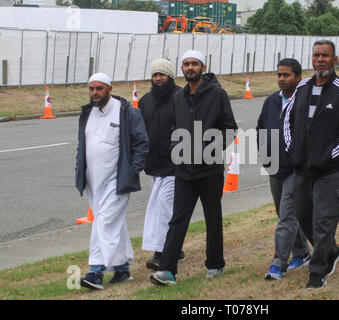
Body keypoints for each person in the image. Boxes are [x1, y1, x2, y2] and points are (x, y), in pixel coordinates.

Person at [150, 50, 238, 286]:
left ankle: (215, 264)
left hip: (209, 169)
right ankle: (168, 270)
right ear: (182, 69)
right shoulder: (179, 96)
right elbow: (173, 127)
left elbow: (230, 128)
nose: (190, 68)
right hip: (183, 171)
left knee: (212, 218)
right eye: (186, 64)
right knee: (178, 219)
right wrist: (175, 150)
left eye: (194, 64)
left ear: (203, 66)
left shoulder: (217, 94)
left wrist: (209, 149)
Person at [284, 40, 339, 289]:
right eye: (316, 55)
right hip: (302, 170)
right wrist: (292, 150)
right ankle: (331, 251)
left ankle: (317, 274)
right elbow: (288, 121)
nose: (320, 59)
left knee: (324, 221)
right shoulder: (303, 87)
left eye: (325, 55)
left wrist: (329, 157)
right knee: (305, 218)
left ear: (334, 60)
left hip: (329, 171)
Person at [75, 72, 148, 290]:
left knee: (104, 222)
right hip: (93, 183)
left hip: (118, 182)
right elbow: (83, 145)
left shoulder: (126, 112)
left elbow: (141, 144)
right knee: (111, 223)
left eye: (99, 88)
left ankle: (95, 271)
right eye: (91, 89)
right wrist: (79, 170)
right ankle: (123, 268)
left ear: (110, 88)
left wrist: (132, 171)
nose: (95, 93)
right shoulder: (88, 113)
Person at [256, 58, 311, 281]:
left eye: (286, 75)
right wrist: (264, 154)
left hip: (296, 170)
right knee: (284, 213)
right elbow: (261, 128)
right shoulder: (271, 101)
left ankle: (278, 263)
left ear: (298, 77)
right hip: (275, 167)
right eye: (279, 75)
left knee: (287, 217)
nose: (281, 79)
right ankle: (302, 252)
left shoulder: (305, 102)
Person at [139, 59, 185, 270]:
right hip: (153, 164)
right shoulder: (145, 101)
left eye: (162, 75)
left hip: (174, 165)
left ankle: (162, 252)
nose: (158, 78)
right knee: (167, 207)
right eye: (155, 75)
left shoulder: (181, 97)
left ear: (171, 76)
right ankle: (176, 247)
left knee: (162, 207)